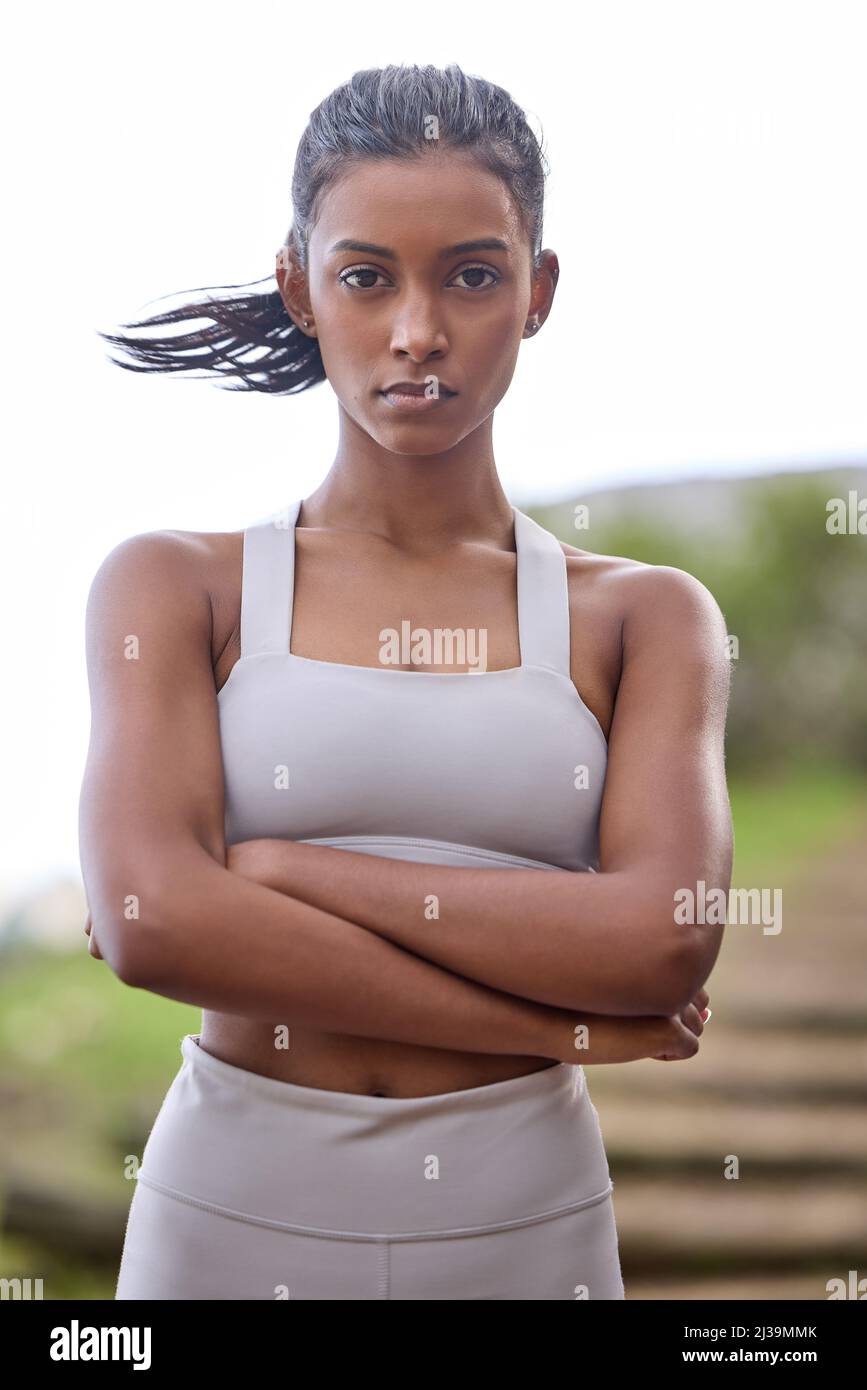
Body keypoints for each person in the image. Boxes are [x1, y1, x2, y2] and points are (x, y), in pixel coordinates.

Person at [79, 63, 729, 1301]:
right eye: (367, 275)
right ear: (300, 285)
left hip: (522, 1220)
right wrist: (558, 1023)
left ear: (538, 293)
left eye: (472, 275)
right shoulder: (173, 589)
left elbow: (664, 939)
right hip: (228, 1210)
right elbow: (153, 919)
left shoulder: (645, 616)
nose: (417, 331)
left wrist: (280, 872)